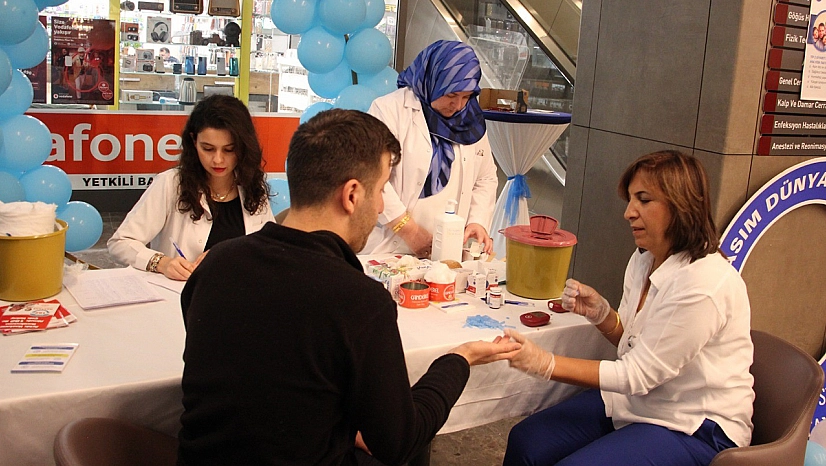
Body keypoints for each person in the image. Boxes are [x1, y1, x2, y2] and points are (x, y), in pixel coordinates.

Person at [176, 109, 521, 466]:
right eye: (383, 188)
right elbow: (397, 441)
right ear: (352, 194)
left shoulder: (215, 265)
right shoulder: (359, 301)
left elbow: (264, 384)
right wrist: (459, 360)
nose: (383, 205)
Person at [501, 150, 754, 466]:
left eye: (644, 200)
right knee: (527, 441)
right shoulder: (643, 259)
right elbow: (635, 347)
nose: (629, 213)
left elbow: (637, 374)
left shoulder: (703, 283)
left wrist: (544, 363)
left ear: (682, 206)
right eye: (631, 199)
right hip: (643, 403)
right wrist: (603, 316)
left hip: (696, 426)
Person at [108, 95, 273, 280]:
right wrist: (162, 263)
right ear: (194, 141)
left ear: (243, 147)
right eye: (208, 149)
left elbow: (269, 248)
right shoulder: (171, 184)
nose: (218, 159)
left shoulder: (252, 186)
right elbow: (120, 242)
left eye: (229, 150)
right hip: (181, 299)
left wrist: (228, 256)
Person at [362, 40, 498, 258]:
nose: (459, 106)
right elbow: (371, 177)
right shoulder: (389, 110)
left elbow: (486, 178)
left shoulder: (470, 120)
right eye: (451, 95)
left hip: (450, 249)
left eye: (467, 96)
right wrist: (410, 232)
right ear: (431, 80)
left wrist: (477, 221)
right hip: (393, 247)